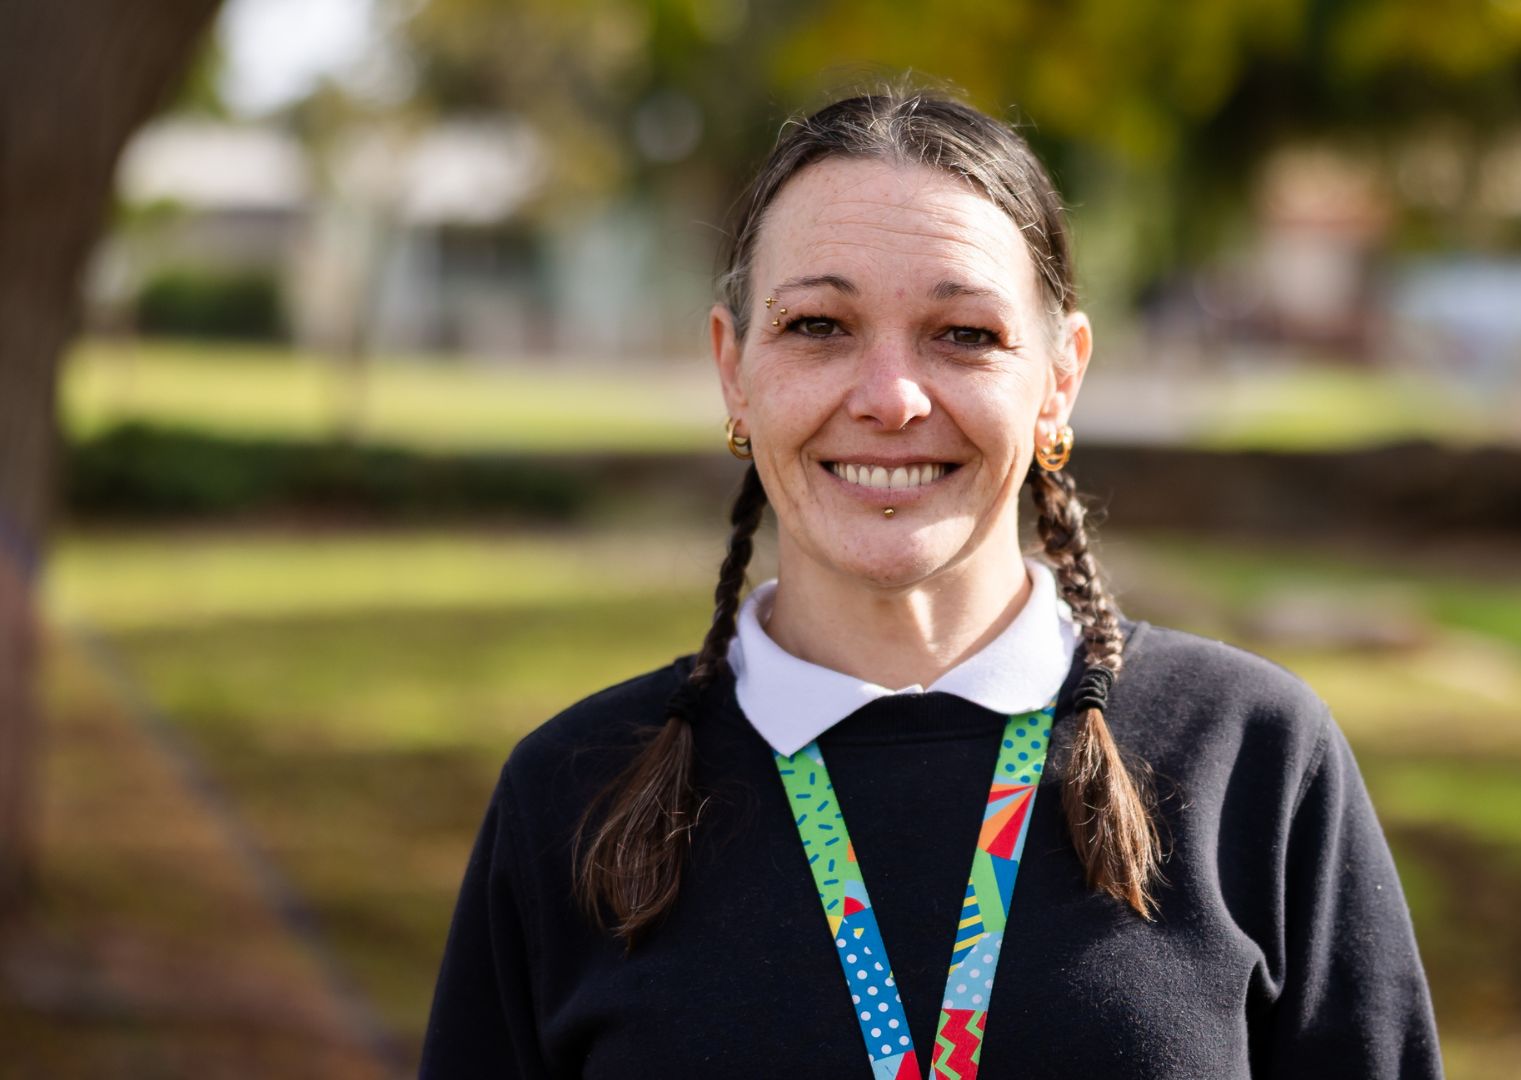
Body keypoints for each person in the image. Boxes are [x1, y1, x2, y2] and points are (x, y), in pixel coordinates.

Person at [420, 89, 1444, 1080]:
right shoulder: (569, 794)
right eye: (818, 325)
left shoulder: (1252, 758)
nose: (890, 398)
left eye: (965, 335)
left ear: (1060, 378)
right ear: (734, 370)